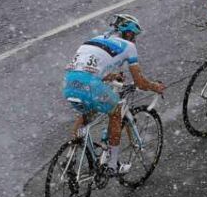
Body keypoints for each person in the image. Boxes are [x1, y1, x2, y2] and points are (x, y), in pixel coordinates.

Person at [63, 14, 165, 175]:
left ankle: (71, 154)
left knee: (87, 113)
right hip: (90, 85)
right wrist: (155, 87)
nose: (135, 40)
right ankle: (113, 165)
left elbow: (88, 68)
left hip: (69, 83)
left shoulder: (94, 39)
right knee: (116, 112)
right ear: (129, 33)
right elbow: (139, 82)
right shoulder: (128, 46)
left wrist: (111, 77)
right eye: (135, 36)